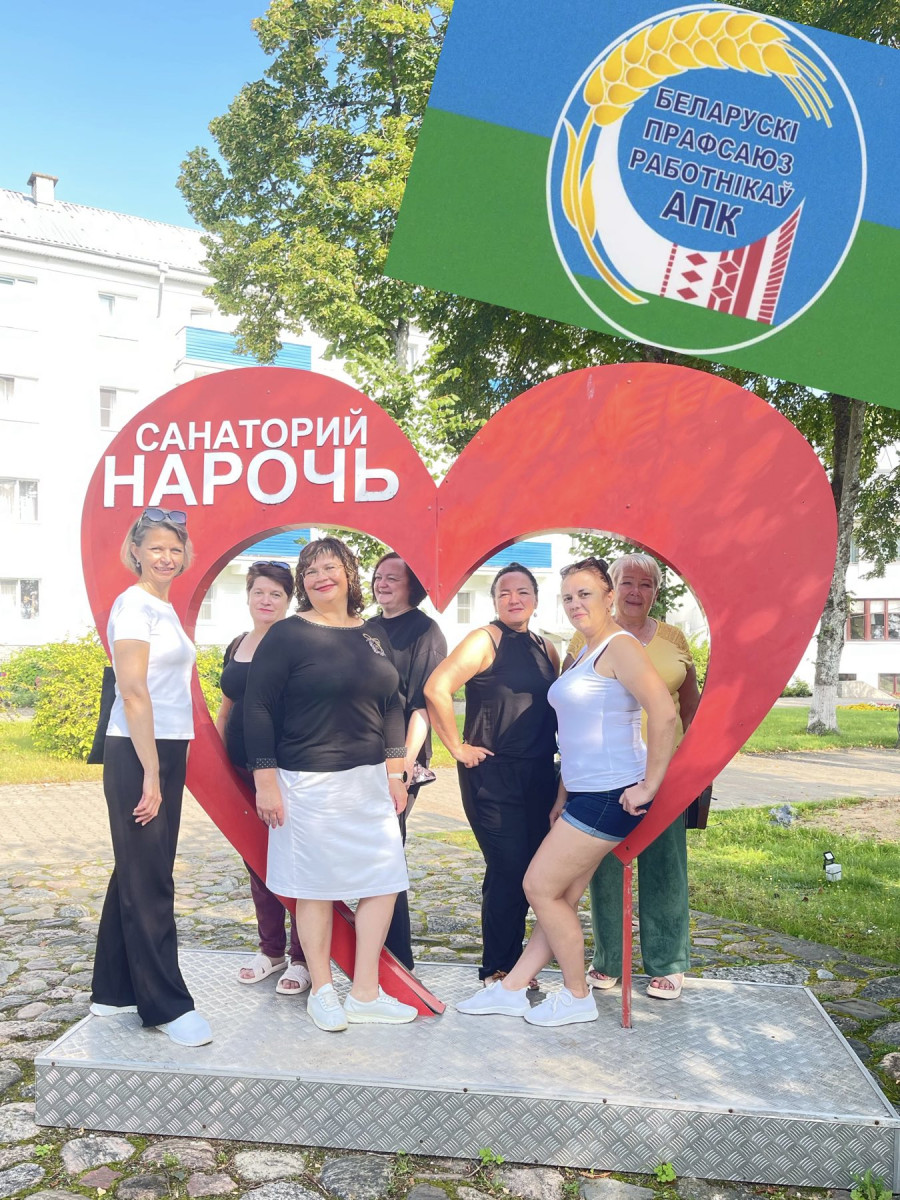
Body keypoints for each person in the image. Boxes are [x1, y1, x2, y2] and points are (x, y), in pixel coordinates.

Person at [456, 556, 676, 1027]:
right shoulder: (584, 651)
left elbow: (664, 712)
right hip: (582, 794)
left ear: (609, 597)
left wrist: (650, 784)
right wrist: (561, 796)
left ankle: (577, 996)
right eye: (569, 597)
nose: (576, 604)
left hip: (610, 795)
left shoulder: (620, 646)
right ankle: (512, 989)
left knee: (538, 886)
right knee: (559, 898)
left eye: (586, 594)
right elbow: (573, 735)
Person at [243, 536, 417, 1032]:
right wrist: (265, 781)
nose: (321, 577)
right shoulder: (287, 634)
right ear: (303, 582)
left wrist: (395, 771)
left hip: (369, 782)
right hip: (307, 783)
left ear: (349, 574)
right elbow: (258, 708)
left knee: (384, 882)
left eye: (330, 567)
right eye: (311, 570)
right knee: (314, 890)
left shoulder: (372, 633)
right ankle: (321, 990)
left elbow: (393, 704)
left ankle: (364, 992)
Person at [90, 507, 212, 1047]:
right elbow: (133, 691)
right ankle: (166, 1005)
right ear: (135, 551)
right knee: (151, 879)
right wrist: (152, 771)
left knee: (137, 870)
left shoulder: (161, 607)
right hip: (140, 750)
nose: (166, 557)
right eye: (156, 547)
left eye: (175, 549)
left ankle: (112, 991)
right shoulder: (134, 605)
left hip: (163, 746)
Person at [564, 553, 700, 1001]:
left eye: (646, 584)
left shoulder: (673, 638)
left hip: (664, 772)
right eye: (626, 582)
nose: (635, 592)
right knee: (603, 866)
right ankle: (608, 959)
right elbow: (568, 706)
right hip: (604, 774)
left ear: (656, 592)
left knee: (665, 867)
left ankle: (668, 962)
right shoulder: (586, 638)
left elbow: (690, 706)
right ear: (611, 589)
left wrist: (695, 767)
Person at [425, 563, 559, 986]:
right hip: (492, 776)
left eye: (522, 592)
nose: (514, 599)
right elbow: (436, 687)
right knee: (507, 868)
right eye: (504, 593)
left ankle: (519, 965)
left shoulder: (545, 647)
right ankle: (498, 968)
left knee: (534, 872)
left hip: (541, 774)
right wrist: (456, 747)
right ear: (495, 600)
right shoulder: (485, 640)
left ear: (536, 599)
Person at [215, 560, 310, 995]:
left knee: (295, 859)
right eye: (259, 592)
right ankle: (271, 950)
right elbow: (227, 707)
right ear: (248, 596)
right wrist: (219, 763)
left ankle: (303, 957)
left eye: (276, 594)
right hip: (239, 768)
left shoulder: (297, 642)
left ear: (288, 600)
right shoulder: (238, 643)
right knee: (256, 859)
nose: (266, 600)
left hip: (284, 768)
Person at [367, 552, 447, 970]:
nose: (382, 584)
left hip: (400, 758)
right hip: (358, 756)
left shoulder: (425, 632)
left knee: (386, 852)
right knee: (363, 854)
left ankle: (397, 958)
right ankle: (365, 948)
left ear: (412, 586)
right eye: (378, 577)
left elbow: (422, 706)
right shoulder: (364, 628)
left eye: (392, 579)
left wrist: (400, 768)